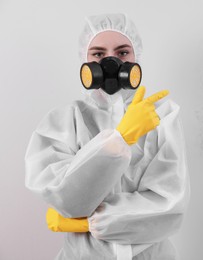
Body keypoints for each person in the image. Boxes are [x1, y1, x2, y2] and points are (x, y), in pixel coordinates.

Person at [24, 13, 190, 260]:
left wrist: (87, 221)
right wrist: (120, 139)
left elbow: (168, 208)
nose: (111, 62)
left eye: (122, 53)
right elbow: (66, 197)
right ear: (85, 59)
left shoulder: (161, 117)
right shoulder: (63, 122)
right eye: (99, 54)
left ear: (136, 58)